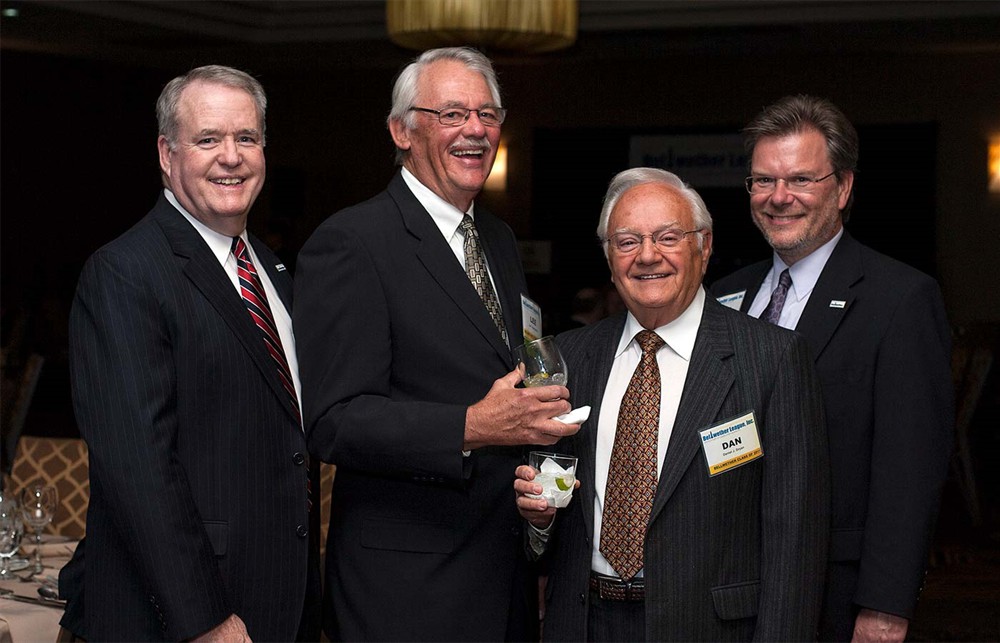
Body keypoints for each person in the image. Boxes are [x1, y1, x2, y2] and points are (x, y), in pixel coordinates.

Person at [293, 47, 579, 641]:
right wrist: (472, 425)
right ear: (402, 130)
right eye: (451, 113)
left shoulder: (497, 239)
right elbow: (333, 422)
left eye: (488, 113)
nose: (476, 129)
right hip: (407, 592)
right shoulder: (352, 241)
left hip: (504, 577)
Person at [59, 65, 320, 641]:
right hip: (187, 615)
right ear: (166, 153)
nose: (232, 157)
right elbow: (138, 469)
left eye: (246, 138)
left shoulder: (274, 270)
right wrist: (203, 617)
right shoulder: (125, 273)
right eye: (208, 139)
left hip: (278, 599)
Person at [516, 167, 830, 641]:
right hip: (583, 623)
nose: (647, 256)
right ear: (608, 257)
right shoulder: (569, 357)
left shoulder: (773, 359)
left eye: (667, 237)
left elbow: (796, 542)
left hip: (709, 628)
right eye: (626, 242)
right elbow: (547, 508)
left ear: (703, 247)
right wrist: (539, 520)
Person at [712, 95, 954, 642]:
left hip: (836, 591)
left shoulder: (900, 299)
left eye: (801, 179)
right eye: (762, 181)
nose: (779, 198)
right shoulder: (723, 296)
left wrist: (885, 607)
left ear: (843, 188)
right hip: (725, 588)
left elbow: (910, 468)